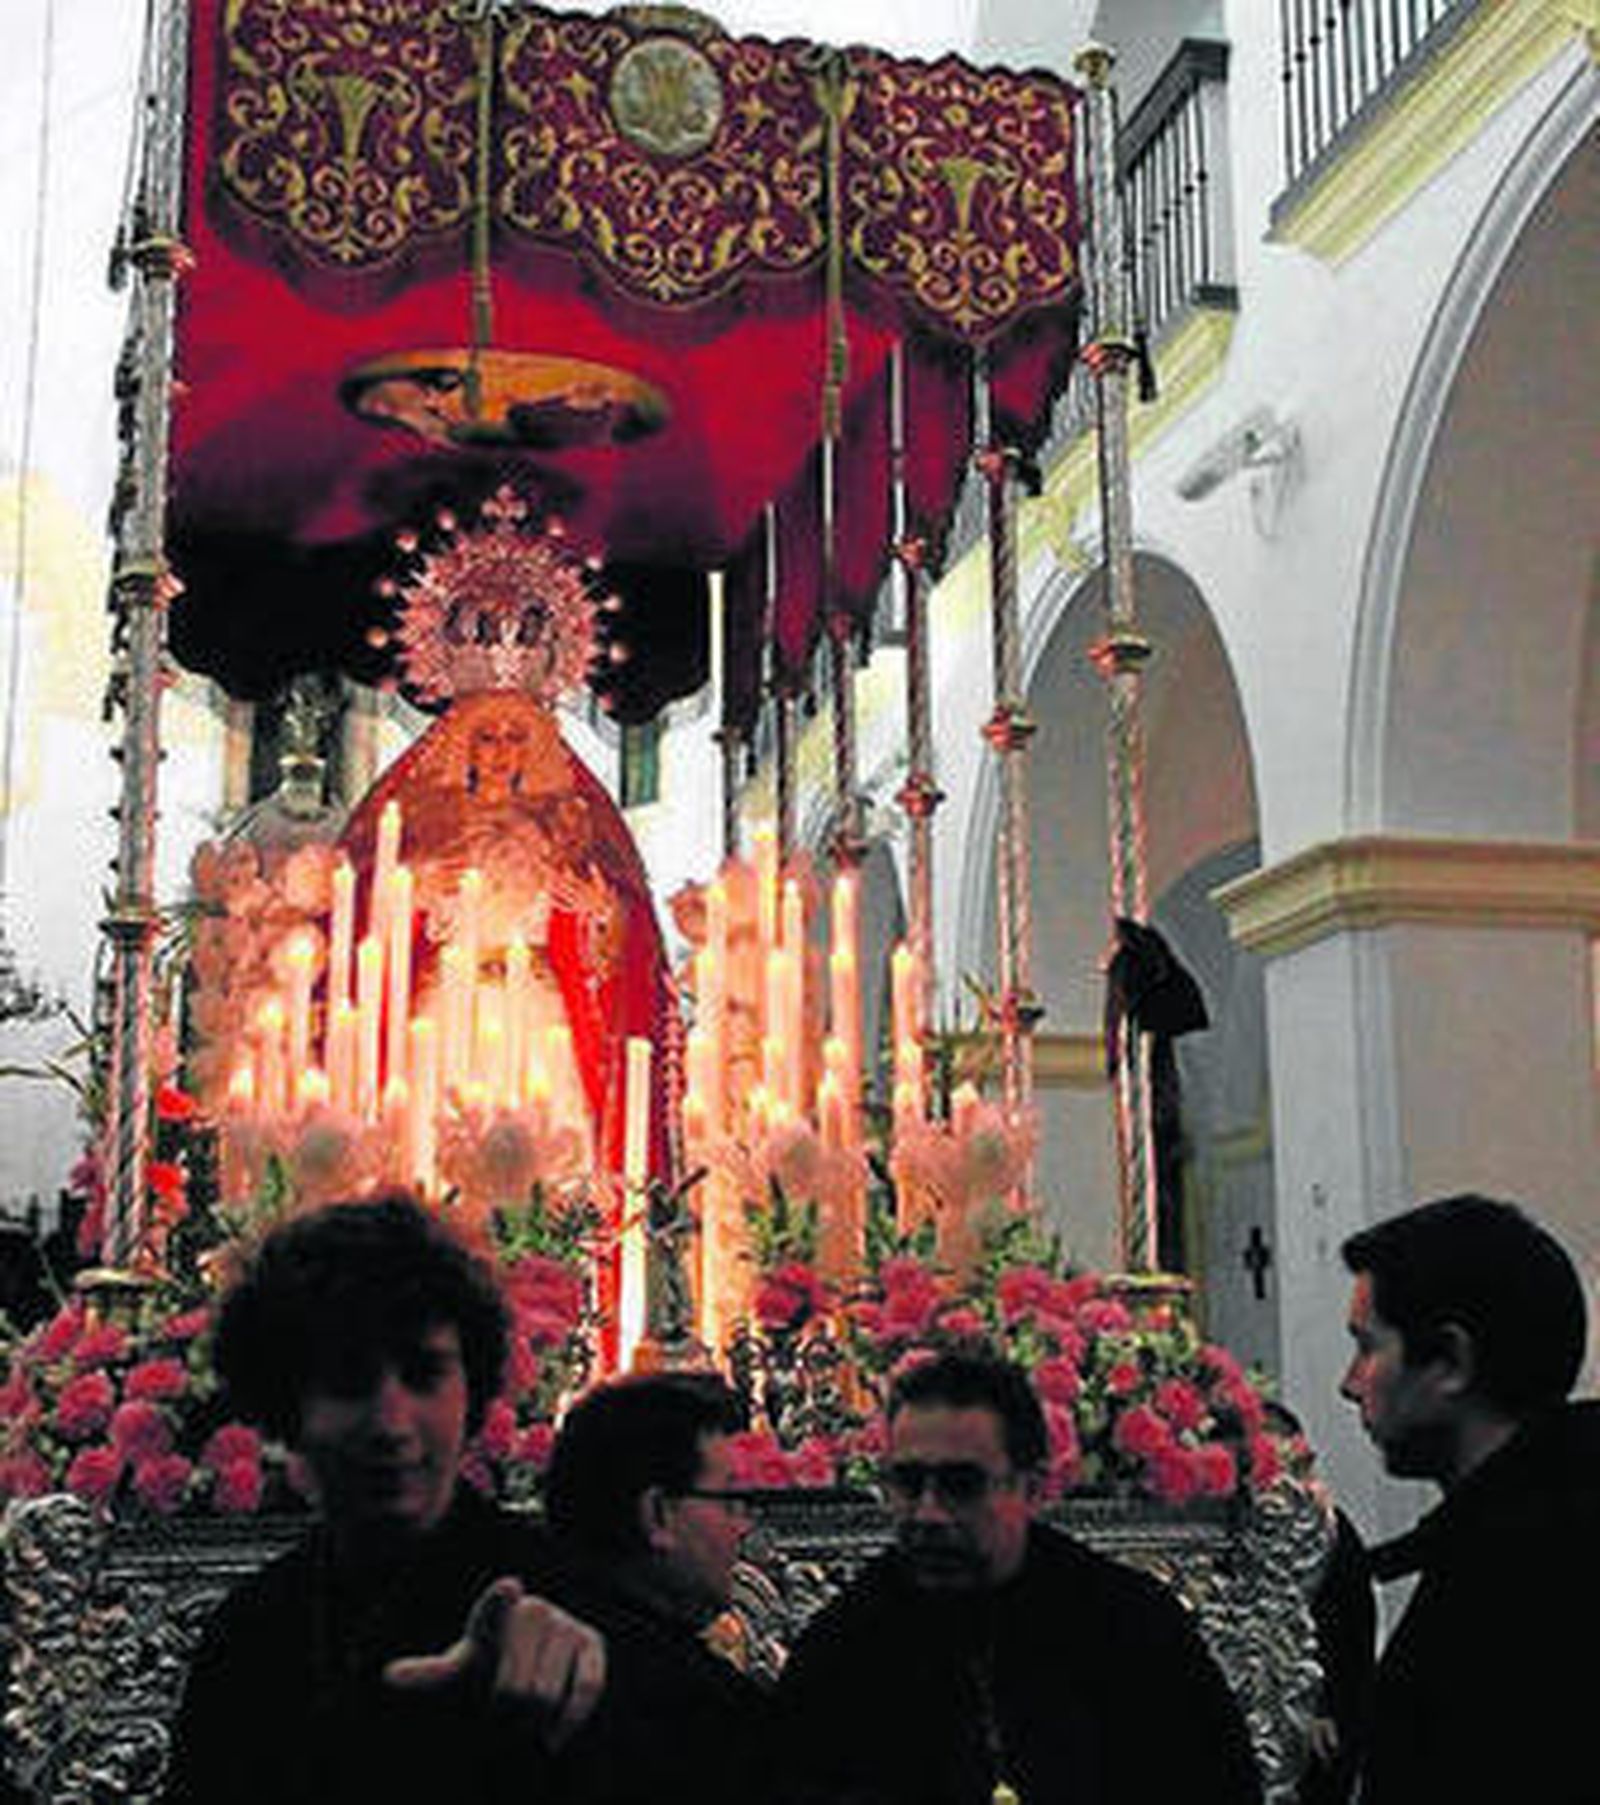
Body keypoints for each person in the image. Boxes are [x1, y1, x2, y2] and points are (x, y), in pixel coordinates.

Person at [163, 1193, 605, 1804]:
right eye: (349, 1381)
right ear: (289, 1406)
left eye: (423, 1375)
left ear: (471, 1390)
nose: (392, 1422)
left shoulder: (564, 1604)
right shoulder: (250, 1636)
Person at [776, 1350, 1263, 1804]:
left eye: (960, 1485)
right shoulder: (844, 1647)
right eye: (908, 1483)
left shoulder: (1129, 1626)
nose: (929, 1513)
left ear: (1031, 1488)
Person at [1339, 1192, 1598, 1804]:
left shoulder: (1520, 1577)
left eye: (1369, 1346)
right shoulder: (1531, 1520)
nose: (1349, 1385)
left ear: (1450, 1362)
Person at [537, 1372, 777, 1803]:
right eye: (729, 1500)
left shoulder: (545, 1641)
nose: (742, 1526)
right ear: (658, 1515)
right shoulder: (690, 1710)